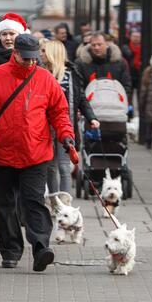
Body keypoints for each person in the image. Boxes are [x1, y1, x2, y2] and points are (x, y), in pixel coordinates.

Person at [0, 34, 75, 272]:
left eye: (33, 58)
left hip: (35, 152)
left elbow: (59, 112)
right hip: (3, 152)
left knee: (34, 201)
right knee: (5, 203)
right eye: (25, 58)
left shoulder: (45, 79)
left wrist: (66, 135)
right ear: (15, 52)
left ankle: (40, 248)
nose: (30, 63)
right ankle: (10, 251)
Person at [40, 39, 99, 193]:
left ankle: (66, 204)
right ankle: (54, 202)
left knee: (64, 166)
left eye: (44, 51)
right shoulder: (40, 73)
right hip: (44, 126)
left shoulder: (71, 73)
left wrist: (91, 117)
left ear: (54, 54)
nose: (41, 54)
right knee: (50, 167)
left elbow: (81, 98)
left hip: (65, 124)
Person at [122, 31, 143, 107]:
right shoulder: (126, 47)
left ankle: (140, 112)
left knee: (140, 94)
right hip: (129, 73)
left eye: (138, 37)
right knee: (129, 95)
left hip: (139, 74)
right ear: (130, 37)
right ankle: (130, 111)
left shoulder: (143, 48)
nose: (136, 39)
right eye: (134, 36)